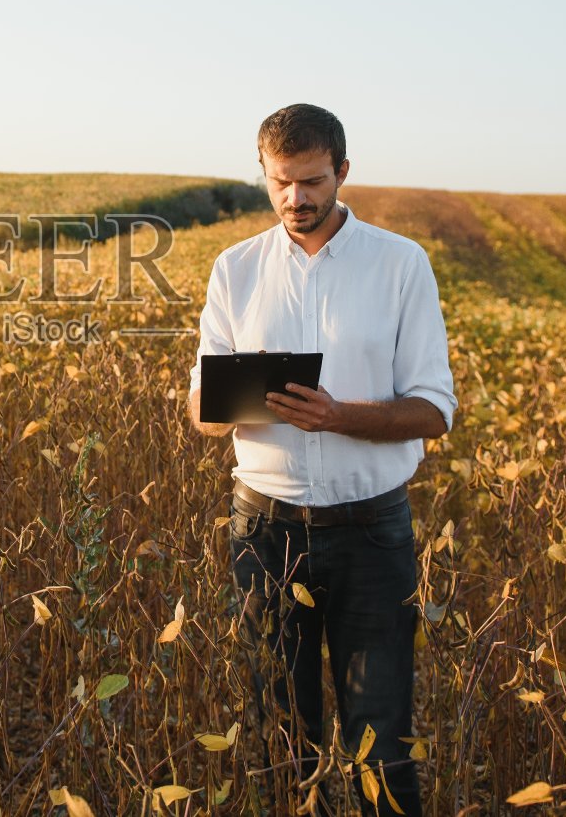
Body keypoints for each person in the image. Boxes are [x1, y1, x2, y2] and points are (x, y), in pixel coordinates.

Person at [188, 103, 456, 815]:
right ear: (265, 176)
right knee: (279, 743)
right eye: (280, 183)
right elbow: (200, 412)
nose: (294, 200)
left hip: (373, 537)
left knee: (383, 743)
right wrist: (241, 399)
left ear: (342, 172)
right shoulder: (234, 269)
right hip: (264, 535)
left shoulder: (401, 265)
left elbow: (434, 411)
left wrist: (341, 417)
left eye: (310, 182)